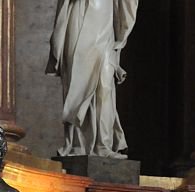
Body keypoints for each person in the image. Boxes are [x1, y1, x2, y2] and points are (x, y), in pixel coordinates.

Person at [46, 0, 139, 159]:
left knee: (105, 84)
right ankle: (77, 144)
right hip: (79, 14)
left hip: (105, 18)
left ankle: (103, 144)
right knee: (78, 81)